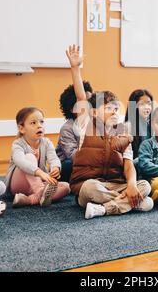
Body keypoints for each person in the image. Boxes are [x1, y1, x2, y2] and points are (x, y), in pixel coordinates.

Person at [65, 44, 153, 219]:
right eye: (108, 108)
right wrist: (75, 68)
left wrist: (132, 184)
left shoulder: (123, 132)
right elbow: (81, 98)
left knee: (145, 186)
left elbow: (128, 165)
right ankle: (130, 202)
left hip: (114, 184)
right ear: (95, 112)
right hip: (90, 185)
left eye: (116, 108)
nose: (114, 111)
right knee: (91, 188)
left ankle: (105, 208)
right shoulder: (87, 126)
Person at [5, 107, 70, 208]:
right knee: (29, 157)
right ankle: (40, 191)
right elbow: (20, 161)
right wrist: (40, 173)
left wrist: (55, 168)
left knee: (66, 187)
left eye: (41, 122)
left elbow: (53, 158)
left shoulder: (46, 142)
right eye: (33, 123)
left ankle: (30, 199)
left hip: (38, 182)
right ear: (21, 128)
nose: (39, 126)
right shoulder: (18, 144)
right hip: (18, 185)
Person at [56, 81, 93, 182]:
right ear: (72, 109)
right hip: (70, 165)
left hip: (90, 164)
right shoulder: (67, 128)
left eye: (91, 101)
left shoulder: (96, 122)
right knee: (68, 165)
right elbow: (72, 156)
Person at [124, 89, 154, 161]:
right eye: (142, 104)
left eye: (149, 104)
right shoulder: (127, 127)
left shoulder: (151, 127)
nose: (147, 107)